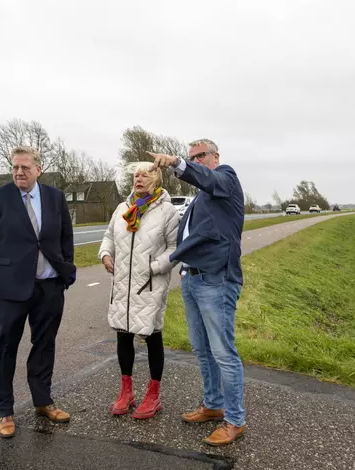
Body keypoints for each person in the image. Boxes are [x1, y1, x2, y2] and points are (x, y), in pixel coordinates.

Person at [147, 139, 246, 446]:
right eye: (193, 157)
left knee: (223, 352)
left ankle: (235, 420)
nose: (197, 161)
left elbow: (207, 177)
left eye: (201, 156)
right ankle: (213, 404)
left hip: (216, 280)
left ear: (216, 156)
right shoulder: (202, 197)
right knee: (202, 350)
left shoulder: (226, 178)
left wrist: (178, 163)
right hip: (192, 278)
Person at [0, 146, 77, 438]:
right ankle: (4, 410)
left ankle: (43, 401)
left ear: (38, 169)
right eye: (15, 167)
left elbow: (65, 237)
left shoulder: (55, 197)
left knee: (45, 345)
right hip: (8, 290)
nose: (19, 172)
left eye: (25, 168)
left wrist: (64, 273)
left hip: (49, 286)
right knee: (5, 348)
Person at [98, 162, 180, 419]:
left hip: (150, 284)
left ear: (156, 179)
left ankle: (153, 396)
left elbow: (174, 249)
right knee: (123, 335)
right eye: (136, 175)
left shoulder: (168, 212)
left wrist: (153, 267)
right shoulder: (123, 208)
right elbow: (109, 236)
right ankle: (126, 392)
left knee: (152, 336)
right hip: (122, 283)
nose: (139, 179)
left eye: (145, 174)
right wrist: (105, 254)